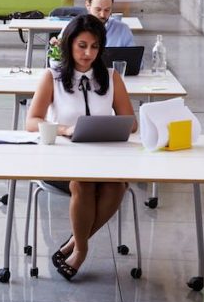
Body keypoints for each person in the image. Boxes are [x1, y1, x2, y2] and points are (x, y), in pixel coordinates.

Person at [25, 14, 136, 280]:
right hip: (62, 160)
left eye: (95, 47)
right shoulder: (51, 77)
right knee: (82, 183)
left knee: (116, 186)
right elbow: (32, 122)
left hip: (103, 158)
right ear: (69, 45)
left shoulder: (111, 77)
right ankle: (81, 252)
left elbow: (130, 123)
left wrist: (111, 127)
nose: (88, 53)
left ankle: (72, 244)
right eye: (82, 45)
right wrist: (64, 129)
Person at [61, 0, 135, 47]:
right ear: (87, 5)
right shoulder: (71, 27)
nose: (103, 15)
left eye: (107, 10)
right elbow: (56, 60)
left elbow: (137, 62)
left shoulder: (123, 30)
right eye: (98, 9)